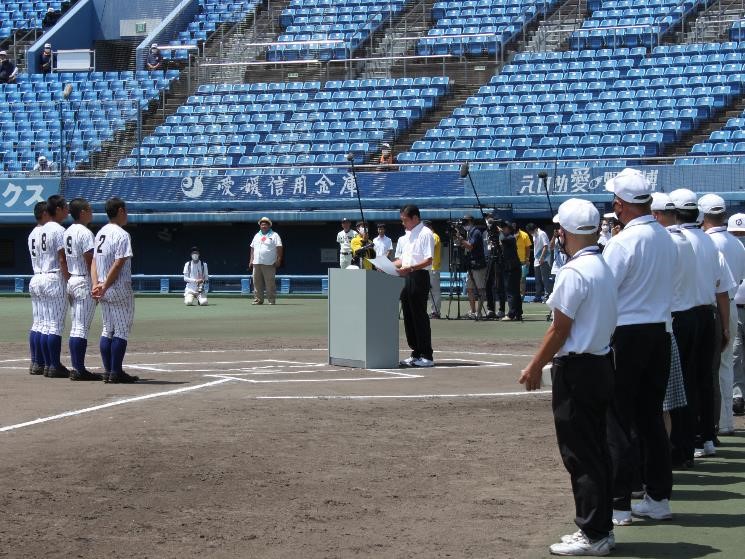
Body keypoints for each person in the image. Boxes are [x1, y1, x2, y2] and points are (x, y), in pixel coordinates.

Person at [520, 198, 617, 557]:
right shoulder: (601, 265)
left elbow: (559, 330)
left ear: (567, 232)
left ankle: (592, 532)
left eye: (560, 228)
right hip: (601, 362)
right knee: (597, 450)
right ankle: (600, 527)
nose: (557, 233)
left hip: (578, 369)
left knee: (580, 453)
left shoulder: (575, 272)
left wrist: (533, 366)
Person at [602, 168, 676, 526]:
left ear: (621, 205)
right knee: (650, 419)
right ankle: (658, 497)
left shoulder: (622, 242)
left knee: (618, 419)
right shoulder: (665, 237)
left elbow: (604, 291)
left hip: (627, 334)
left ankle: (619, 503)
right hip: (660, 333)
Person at [669, 188, 734, 462]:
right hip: (708, 315)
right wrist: (725, 326)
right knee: (705, 378)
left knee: (684, 382)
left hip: (682, 315)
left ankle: (689, 438)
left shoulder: (675, 241)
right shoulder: (708, 242)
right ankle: (707, 435)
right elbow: (722, 288)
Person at [699, 194, 745, 437]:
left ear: (703, 215)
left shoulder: (704, 242)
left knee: (707, 369)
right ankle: (726, 422)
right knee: (726, 366)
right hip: (732, 304)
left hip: (713, 308)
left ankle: (711, 424)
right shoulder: (736, 243)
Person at [91, 197, 139, 384]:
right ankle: (116, 371)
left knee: (107, 329)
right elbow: (119, 263)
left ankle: (109, 370)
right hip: (117, 287)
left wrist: (97, 284)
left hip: (103, 285)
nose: (126, 214)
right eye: (125, 210)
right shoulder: (121, 234)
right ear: (119, 211)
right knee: (120, 330)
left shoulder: (101, 232)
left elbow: (94, 261)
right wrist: (106, 285)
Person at [65, 198, 102, 381]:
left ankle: (76, 367)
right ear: (82, 212)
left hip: (72, 279)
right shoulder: (85, 232)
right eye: (89, 209)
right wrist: (96, 282)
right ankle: (79, 369)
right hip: (83, 281)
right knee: (81, 328)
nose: (91, 211)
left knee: (76, 327)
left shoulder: (68, 231)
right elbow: (90, 259)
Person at [394, 205, 435, 368]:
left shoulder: (426, 233)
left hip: (419, 276)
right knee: (409, 315)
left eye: (405, 220)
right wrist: (386, 265)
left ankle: (427, 355)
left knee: (419, 315)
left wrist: (410, 268)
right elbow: (402, 260)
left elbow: (428, 260)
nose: (403, 223)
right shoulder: (408, 236)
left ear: (415, 218)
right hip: (407, 276)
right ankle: (416, 352)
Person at [38, 195, 71, 378]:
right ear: (57, 209)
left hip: (41, 276)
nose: (67, 210)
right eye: (65, 207)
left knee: (46, 325)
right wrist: (68, 280)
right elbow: (62, 258)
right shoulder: (58, 230)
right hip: (54, 278)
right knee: (55, 326)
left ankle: (47, 364)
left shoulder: (41, 229)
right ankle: (54, 365)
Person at [27, 201, 49, 375]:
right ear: (43, 214)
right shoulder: (46, 231)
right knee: (49, 325)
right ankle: (45, 363)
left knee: (38, 324)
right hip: (48, 276)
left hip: (36, 277)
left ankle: (36, 362)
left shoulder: (32, 233)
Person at [728, 212, 745, 417]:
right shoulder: (732, 249)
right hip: (735, 307)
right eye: (737, 233)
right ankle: (737, 396)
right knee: (734, 354)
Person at [249, 216, 283, 305]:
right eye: (262, 224)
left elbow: (279, 247)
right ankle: (258, 300)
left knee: (270, 282)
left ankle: (271, 300)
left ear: (269, 226)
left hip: (269, 263)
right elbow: (252, 248)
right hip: (256, 263)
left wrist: (279, 259)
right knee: (256, 282)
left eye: (265, 225)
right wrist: (251, 260)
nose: (263, 226)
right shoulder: (257, 235)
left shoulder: (274, 235)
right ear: (260, 226)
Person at [459, 214, 487, 319]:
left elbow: (470, 246)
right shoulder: (469, 232)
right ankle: (473, 310)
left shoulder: (476, 232)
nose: (464, 224)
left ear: (471, 222)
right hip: (471, 264)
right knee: (469, 288)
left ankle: (479, 311)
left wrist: (461, 240)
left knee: (480, 288)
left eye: (466, 222)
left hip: (478, 264)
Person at [499, 221, 523, 321]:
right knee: (515, 292)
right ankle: (518, 313)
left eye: (504, 228)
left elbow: (502, 239)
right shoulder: (510, 237)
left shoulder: (510, 237)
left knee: (511, 292)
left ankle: (511, 314)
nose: (503, 230)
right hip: (513, 268)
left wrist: (499, 232)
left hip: (512, 268)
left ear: (508, 229)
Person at [526, 222, 550, 303]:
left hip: (544, 260)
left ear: (535, 229)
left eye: (531, 232)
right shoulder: (534, 235)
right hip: (536, 260)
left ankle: (547, 297)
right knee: (538, 280)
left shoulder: (542, 233)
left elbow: (546, 246)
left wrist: (542, 257)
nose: (530, 233)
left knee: (544, 279)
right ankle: (538, 296)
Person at [423, 220, 442, 319]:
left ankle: (436, 312)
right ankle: (433, 311)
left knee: (435, 291)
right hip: (428, 268)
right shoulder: (429, 236)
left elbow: (429, 247)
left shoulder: (434, 236)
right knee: (430, 291)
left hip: (434, 268)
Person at [515, 223, 532, 298]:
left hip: (522, 261)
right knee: (514, 280)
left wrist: (527, 259)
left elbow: (528, 248)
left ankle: (522, 296)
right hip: (512, 261)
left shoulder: (524, 235)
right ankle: (515, 295)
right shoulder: (509, 235)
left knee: (522, 280)